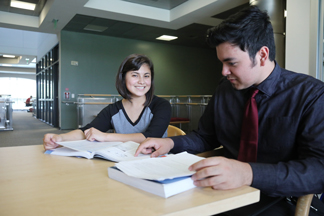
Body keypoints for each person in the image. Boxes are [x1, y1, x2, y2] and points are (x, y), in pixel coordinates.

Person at [135, 6, 324, 216]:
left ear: (262, 55)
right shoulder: (225, 90)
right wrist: (170, 143)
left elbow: (318, 170)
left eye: (231, 63)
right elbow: (206, 137)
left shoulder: (311, 95)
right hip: (223, 190)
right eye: (222, 63)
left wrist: (247, 173)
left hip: (280, 199)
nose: (224, 72)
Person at [43, 54, 171, 150]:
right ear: (123, 78)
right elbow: (87, 131)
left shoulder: (161, 105)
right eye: (135, 75)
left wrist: (105, 136)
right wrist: (60, 139)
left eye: (146, 76)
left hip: (156, 162)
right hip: (124, 161)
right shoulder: (113, 109)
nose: (142, 81)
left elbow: (151, 137)